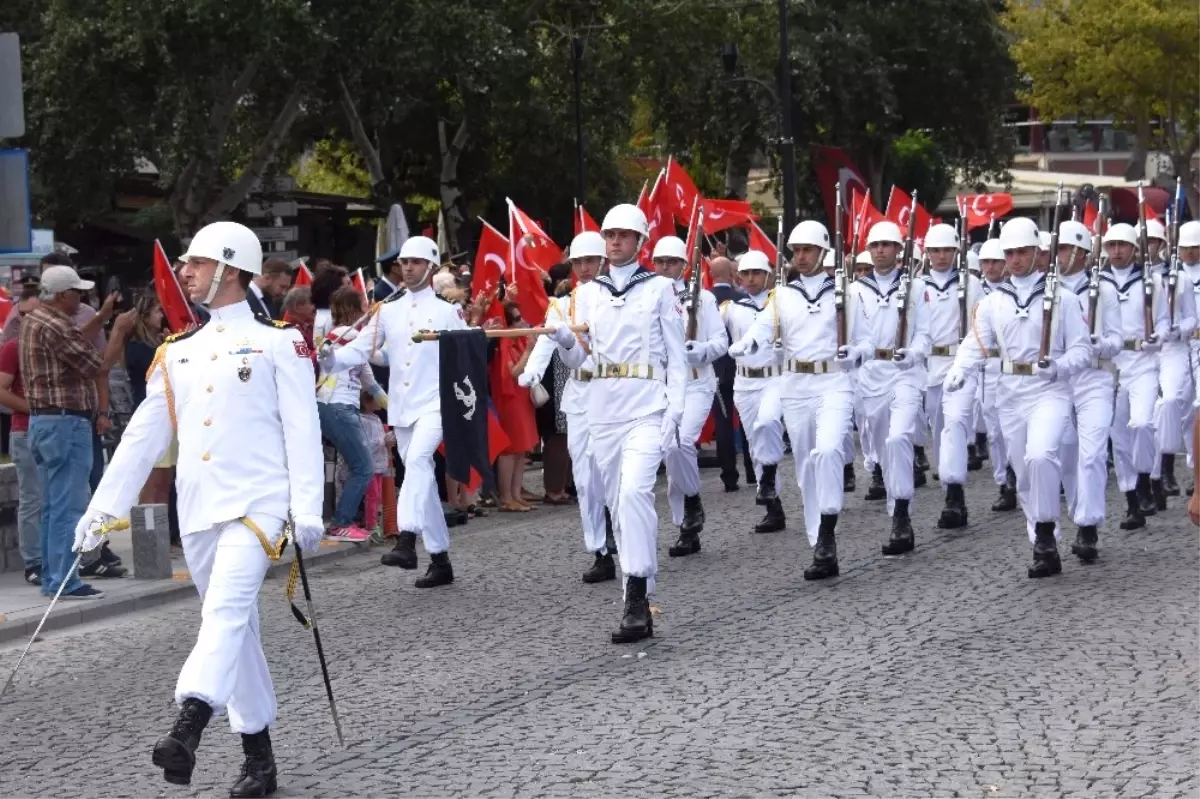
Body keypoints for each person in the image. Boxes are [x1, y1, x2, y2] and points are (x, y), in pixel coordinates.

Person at [74, 221, 324, 796]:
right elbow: (142, 438)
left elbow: (302, 429)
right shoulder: (176, 352)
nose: (185, 272)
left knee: (226, 613)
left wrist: (307, 508)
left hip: (259, 505)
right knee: (237, 630)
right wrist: (101, 511)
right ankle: (259, 761)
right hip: (202, 508)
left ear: (231, 269)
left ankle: (187, 725)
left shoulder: (278, 341)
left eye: (198, 263)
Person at [551, 203, 686, 643]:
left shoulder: (661, 289)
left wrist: (676, 411)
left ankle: (635, 595)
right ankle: (639, 595)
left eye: (624, 235)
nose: (615, 241)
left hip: (648, 404)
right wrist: (566, 340)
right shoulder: (589, 293)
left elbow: (678, 358)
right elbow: (579, 360)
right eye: (609, 235)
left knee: (633, 493)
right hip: (603, 409)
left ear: (641, 241)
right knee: (617, 505)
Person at [945, 217, 1091, 578]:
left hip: (1049, 390)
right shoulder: (993, 302)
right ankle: (1044, 539)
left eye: (1022, 251)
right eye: (1009, 253)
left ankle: (1045, 537)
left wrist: (1056, 366)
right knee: (1024, 473)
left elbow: (1083, 351)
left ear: (1038, 253)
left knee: (1041, 455)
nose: (1014, 259)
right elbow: (976, 343)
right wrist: (960, 370)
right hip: (1010, 391)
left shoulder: (1064, 299)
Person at [320, 235, 464, 587]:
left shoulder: (447, 311)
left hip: (436, 402)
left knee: (416, 462)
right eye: (405, 262)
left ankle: (407, 539)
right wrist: (332, 357)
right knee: (423, 478)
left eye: (416, 262)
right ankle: (441, 559)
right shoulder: (387, 309)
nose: (409, 267)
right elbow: (361, 348)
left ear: (430, 267)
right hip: (402, 406)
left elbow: (465, 357)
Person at [736, 220, 857, 579]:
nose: (801, 257)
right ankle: (820, 539)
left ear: (822, 251)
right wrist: (750, 343)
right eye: (796, 251)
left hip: (834, 381)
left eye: (807, 250)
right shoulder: (783, 294)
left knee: (829, 449)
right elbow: (763, 324)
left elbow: (864, 338)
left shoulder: (845, 291)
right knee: (806, 465)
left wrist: (858, 352)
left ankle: (829, 530)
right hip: (795, 384)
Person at [23, 265, 133, 600]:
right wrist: (118, 331)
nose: (80, 297)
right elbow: (98, 365)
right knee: (69, 507)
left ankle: (51, 576)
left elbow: (75, 345)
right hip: (65, 423)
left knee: (52, 507)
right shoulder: (56, 325)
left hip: (44, 423)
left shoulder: (37, 320)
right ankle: (64, 580)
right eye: (76, 292)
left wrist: (100, 317)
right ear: (61, 295)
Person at [521, 231, 616, 582]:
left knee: (615, 470)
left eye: (591, 261)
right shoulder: (564, 303)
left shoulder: (614, 298)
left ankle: (620, 529)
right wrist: (532, 371)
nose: (586, 268)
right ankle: (600, 549)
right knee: (585, 473)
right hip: (579, 395)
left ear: (602, 262)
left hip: (614, 392)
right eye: (579, 262)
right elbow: (547, 341)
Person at [846, 220, 931, 555]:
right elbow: (850, 334)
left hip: (905, 372)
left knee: (898, 438)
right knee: (884, 446)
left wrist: (915, 353)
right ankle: (896, 507)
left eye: (887, 244)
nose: (880, 250)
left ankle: (901, 514)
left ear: (898, 250)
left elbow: (925, 331)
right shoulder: (855, 290)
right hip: (871, 374)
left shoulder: (915, 286)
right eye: (875, 245)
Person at [650, 235, 728, 557]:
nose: (666, 267)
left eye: (672, 261)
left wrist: (702, 351)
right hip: (662, 386)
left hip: (696, 383)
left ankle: (692, 503)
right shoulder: (647, 299)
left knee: (680, 442)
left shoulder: (702, 299)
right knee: (670, 450)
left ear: (684, 265)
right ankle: (686, 524)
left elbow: (721, 342)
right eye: (660, 262)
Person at [1056, 220, 1121, 561]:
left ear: (1080, 253)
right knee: (1066, 451)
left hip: (1095, 378)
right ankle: (1078, 506)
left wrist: (1098, 344)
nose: (1057, 255)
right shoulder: (1047, 291)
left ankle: (1088, 524)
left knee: (1092, 452)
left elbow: (1117, 340)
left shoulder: (1104, 290)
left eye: (1064, 249)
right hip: (1060, 380)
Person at [1102, 222, 1170, 527]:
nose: (1117, 251)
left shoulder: (1152, 280)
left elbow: (1165, 322)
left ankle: (1144, 476)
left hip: (1143, 360)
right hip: (1112, 363)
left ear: (1134, 248)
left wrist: (1159, 336)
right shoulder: (1098, 282)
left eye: (1122, 245)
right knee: (1118, 435)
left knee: (1142, 423)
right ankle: (1132, 499)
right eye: (1111, 245)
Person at [920, 223, 984, 530]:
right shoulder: (917, 286)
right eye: (936, 250)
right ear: (927, 253)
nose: (942, 256)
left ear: (956, 252)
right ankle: (950, 487)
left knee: (956, 423)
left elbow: (979, 325)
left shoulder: (971, 284)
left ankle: (955, 495)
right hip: (930, 365)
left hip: (961, 362)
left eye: (947, 250)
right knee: (938, 430)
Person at [318, 286, 387, 542]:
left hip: (334, 407)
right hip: (339, 407)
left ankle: (343, 520)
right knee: (363, 468)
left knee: (357, 467)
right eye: (364, 304)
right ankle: (341, 523)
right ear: (354, 309)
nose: (368, 307)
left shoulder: (338, 336)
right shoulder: (346, 336)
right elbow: (371, 375)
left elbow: (369, 379)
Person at [725, 251, 788, 533]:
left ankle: (769, 478)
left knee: (767, 423)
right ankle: (773, 506)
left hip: (774, 378)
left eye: (756, 273)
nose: (751, 279)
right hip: (744, 381)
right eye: (746, 274)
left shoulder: (781, 302)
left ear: (767, 275)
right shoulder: (730, 308)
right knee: (754, 442)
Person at [0, 284, 43, 585]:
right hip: (25, 430)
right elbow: (1, 390)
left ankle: (59, 557)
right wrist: (35, 410)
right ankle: (35, 562)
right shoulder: (14, 347)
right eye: (25, 314)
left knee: (62, 498)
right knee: (33, 498)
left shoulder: (55, 344)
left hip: (56, 428)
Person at [706, 256, 750, 491]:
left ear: (712, 274)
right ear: (731, 274)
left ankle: (729, 476)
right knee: (746, 420)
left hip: (717, 368)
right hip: (741, 366)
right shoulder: (742, 298)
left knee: (723, 422)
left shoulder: (704, 300)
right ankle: (753, 471)